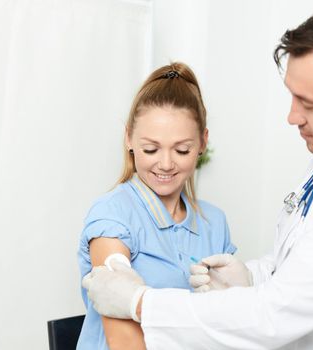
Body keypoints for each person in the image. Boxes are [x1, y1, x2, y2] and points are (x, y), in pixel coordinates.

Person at [82, 3, 313, 349]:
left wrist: (140, 302)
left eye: (308, 104)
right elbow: (304, 267)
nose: (292, 117)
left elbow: (272, 315)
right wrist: (254, 277)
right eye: (292, 97)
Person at [76, 62, 237, 349]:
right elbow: (123, 341)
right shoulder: (112, 215)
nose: (165, 164)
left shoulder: (214, 223)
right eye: (151, 149)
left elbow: (227, 328)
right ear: (128, 138)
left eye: (181, 149)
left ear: (202, 142)